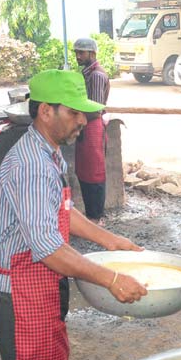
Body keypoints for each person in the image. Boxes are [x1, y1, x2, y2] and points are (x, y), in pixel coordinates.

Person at [0, 69, 147, 360]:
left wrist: (110, 240)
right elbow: (50, 249)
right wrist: (111, 278)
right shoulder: (32, 166)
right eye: (73, 112)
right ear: (45, 112)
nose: (82, 120)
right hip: (18, 290)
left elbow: (62, 213)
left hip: (34, 281)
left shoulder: (48, 151)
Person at [72, 37, 110, 226]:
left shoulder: (96, 75)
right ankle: (91, 215)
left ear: (92, 54)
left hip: (92, 126)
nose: (78, 56)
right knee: (85, 170)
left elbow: (95, 109)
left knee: (94, 172)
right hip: (85, 125)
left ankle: (96, 217)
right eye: (76, 52)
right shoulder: (88, 73)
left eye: (81, 52)